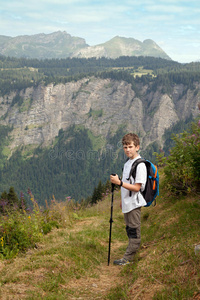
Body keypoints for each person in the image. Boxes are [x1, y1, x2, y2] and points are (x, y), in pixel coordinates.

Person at [110, 133, 147, 265]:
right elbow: (127, 184)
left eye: (130, 146)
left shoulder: (140, 165)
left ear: (137, 147)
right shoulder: (128, 163)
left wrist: (119, 182)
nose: (127, 150)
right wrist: (122, 200)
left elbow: (137, 187)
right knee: (129, 229)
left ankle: (128, 259)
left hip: (134, 203)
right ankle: (132, 255)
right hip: (127, 203)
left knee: (134, 231)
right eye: (125, 147)